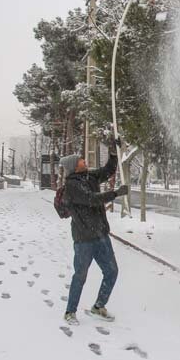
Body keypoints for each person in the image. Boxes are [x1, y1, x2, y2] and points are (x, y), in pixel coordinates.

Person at [60, 138, 129, 325]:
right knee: (80, 275)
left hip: (101, 235)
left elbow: (108, 170)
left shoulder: (90, 177)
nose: (84, 161)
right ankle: (70, 311)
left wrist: (113, 153)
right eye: (81, 160)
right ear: (75, 166)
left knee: (112, 271)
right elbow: (92, 199)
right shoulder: (72, 187)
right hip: (84, 239)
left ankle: (99, 306)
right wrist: (115, 194)